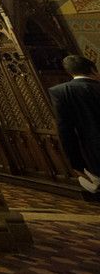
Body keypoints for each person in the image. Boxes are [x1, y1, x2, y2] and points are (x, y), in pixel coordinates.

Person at [49, 54, 100, 195]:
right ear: (93, 69)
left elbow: (65, 129)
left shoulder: (60, 92)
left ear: (70, 72)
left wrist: (75, 162)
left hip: (93, 149)